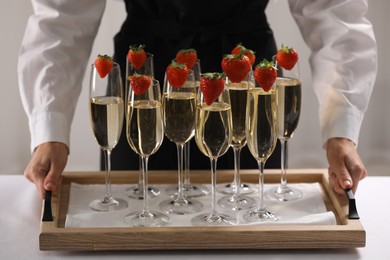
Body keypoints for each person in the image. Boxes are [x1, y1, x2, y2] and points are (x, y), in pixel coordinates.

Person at [18, 0, 377, 199]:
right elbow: (61, 18)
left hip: (246, 77)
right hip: (146, 77)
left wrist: (341, 128)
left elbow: (334, 9)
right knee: (135, 222)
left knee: (249, 226)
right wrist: (49, 129)